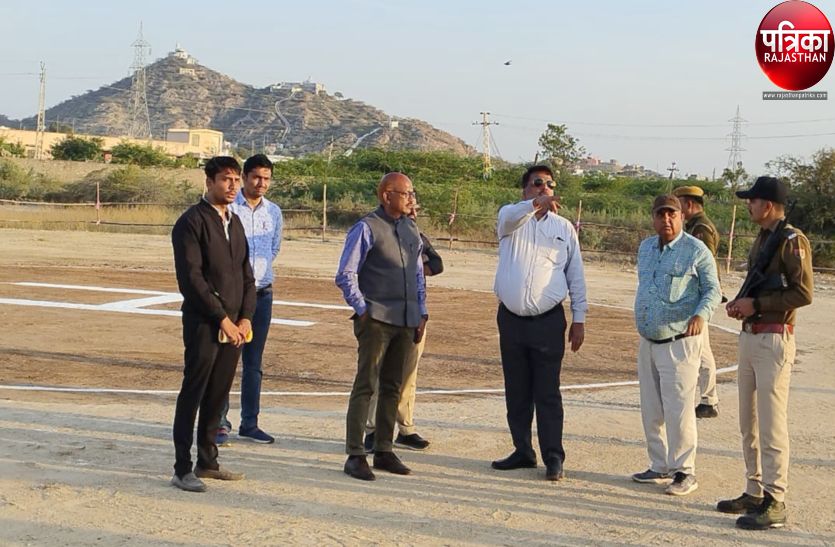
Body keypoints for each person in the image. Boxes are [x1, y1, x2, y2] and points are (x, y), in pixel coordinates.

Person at [719, 176, 813, 530]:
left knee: (772, 423)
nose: (749, 205)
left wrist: (756, 304)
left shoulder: (791, 240)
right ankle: (754, 489)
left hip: (774, 338)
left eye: (753, 200)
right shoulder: (763, 238)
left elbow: (803, 293)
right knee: (749, 422)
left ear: (768, 205)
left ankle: (776, 499)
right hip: (751, 335)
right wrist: (742, 304)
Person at [492, 165, 587, 482]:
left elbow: (575, 275)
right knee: (516, 390)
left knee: (547, 393)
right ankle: (522, 450)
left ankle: (553, 457)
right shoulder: (510, 219)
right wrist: (535, 205)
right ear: (525, 190)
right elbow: (511, 217)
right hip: (511, 321)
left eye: (549, 184)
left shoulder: (563, 228)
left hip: (548, 322)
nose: (544, 188)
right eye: (537, 183)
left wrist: (579, 318)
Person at [170, 156, 256, 492]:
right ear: (209, 182)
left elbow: (247, 276)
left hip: (235, 326)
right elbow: (192, 280)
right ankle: (182, 468)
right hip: (204, 323)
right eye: (225, 179)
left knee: (218, 394)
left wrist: (244, 318)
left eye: (236, 179)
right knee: (194, 392)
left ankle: (208, 461)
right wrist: (222, 319)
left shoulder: (235, 223)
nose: (232, 186)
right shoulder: (191, 222)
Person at [335, 172, 427, 481]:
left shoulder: (411, 228)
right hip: (376, 319)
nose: (412, 199)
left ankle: (384, 449)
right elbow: (346, 274)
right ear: (387, 196)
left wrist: (422, 312)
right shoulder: (366, 227)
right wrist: (363, 310)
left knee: (392, 386)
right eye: (406, 193)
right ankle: (355, 454)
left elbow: (418, 275)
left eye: (412, 193)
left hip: (406, 320)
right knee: (366, 385)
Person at [631, 195, 721, 496]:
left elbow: (712, 290)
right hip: (648, 340)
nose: (666, 220)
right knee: (651, 408)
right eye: (661, 214)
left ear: (682, 216)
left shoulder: (696, 250)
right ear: (653, 217)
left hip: (679, 342)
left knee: (679, 408)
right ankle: (659, 464)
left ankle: (684, 470)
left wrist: (701, 314)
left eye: (672, 214)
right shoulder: (645, 248)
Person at [364, 203, 443, 452]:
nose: (412, 209)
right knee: (376, 374)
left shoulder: (416, 235)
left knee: (408, 374)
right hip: (383, 314)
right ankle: (371, 430)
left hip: (413, 313)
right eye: (407, 201)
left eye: (413, 203)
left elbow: (437, 264)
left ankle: (405, 428)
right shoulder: (376, 230)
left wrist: (413, 268)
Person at [216, 154, 284, 445]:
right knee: (224, 360)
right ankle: (219, 422)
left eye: (266, 178)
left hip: (262, 294)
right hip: (232, 296)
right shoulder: (230, 209)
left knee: (253, 363)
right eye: (256, 177)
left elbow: (273, 248)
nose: (261, 183)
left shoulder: (274, 212)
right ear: (244, 177)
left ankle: (250, 422)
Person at [672, 185, 722, 419]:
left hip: (699, 298)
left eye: (678, 204)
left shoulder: (701, 229)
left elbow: (704, 264)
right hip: (692, 296)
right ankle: (705, 398)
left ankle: (709, 399)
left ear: (689, 204)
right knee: (696, 348)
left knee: (700, 349)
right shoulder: (694, 226)